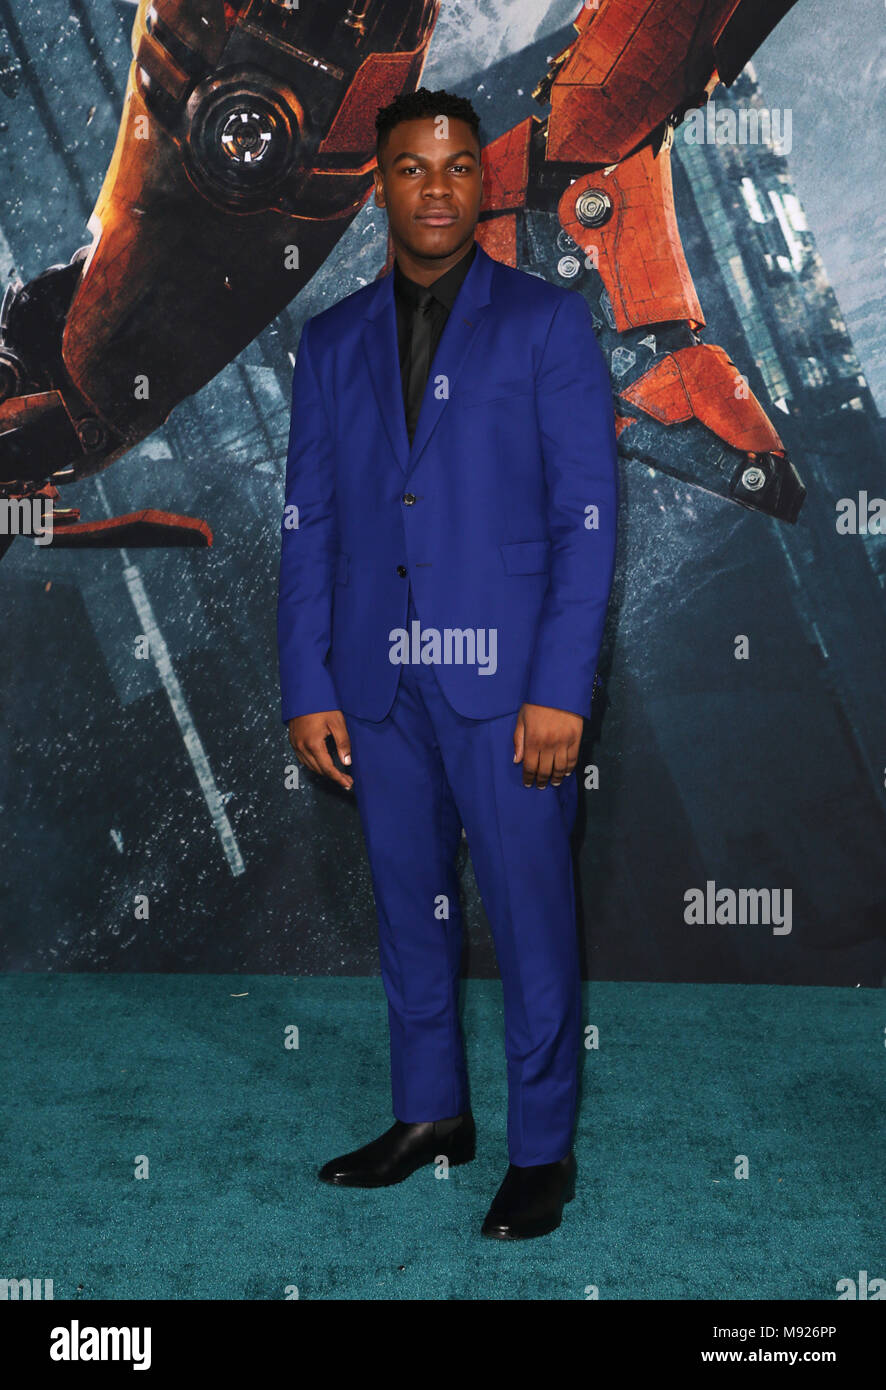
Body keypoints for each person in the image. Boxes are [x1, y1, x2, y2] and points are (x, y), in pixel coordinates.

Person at [276, 88, 619, 1239]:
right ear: (380, 182)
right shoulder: (325, 345)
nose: (436, 187)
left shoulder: (545, 325)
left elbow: (586, 517)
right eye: (412, 167)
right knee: (407, 910)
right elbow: (309, 524)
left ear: (486, 182)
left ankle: (541, 1149)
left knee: (529, 919)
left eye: (458, 166)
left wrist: (559, 690)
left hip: (511, 686)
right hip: (376, 685)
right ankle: (429, 1114)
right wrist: (309, 682)